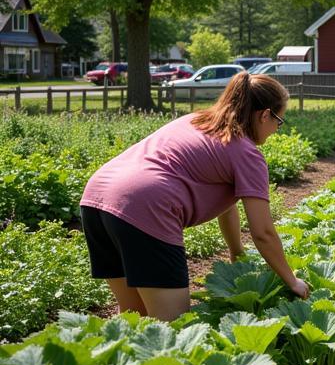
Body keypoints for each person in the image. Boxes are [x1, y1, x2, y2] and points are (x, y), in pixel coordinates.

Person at [80, 73, 309, 321]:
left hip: (97, 199)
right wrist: (291, 280)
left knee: (134, 316)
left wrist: (236, 252)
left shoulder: (196, 121)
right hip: (146, 206)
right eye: (279, 121)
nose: (277, 129)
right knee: (171, 328)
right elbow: (263, 232)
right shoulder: (246, 152)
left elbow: (227, 204)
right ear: (264, 115)